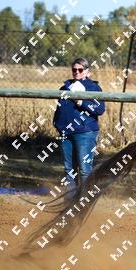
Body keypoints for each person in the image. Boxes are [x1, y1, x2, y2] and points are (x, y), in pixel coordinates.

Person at [53, 58, 105, 187]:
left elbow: (100, 109)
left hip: (85, 133)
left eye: (80, 70)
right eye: (74, 69)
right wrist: (57, 123)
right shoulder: (65, 87)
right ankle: (70, 197)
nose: (76, 72)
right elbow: (60, 108)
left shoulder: (94, 88)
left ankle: (85, 197)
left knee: (84, 170)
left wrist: (81, 102)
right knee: (69, 170)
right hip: (66, 133)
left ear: (87, 71)